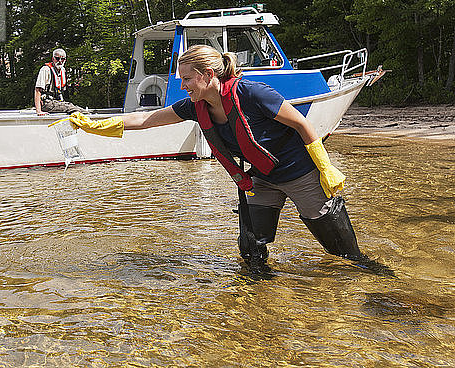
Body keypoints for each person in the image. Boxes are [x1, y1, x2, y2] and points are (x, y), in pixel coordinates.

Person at [63, 45, 384, 274]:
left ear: (206, 75)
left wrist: (325, 165)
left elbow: (302, 124)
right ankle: (260, 296)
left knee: (338, 248)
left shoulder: (254, 93)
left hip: (299, 172)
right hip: (261, 178)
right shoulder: (194, 106)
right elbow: (147, 120)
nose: (182, 85)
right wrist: (94, 124)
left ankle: (372, 273)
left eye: (186, 78)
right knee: (252, 250)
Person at [34, 48, 86, 115]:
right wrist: (39, 111)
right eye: (57, 58)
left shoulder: (62, 70)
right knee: (71, 107)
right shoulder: (45, 70)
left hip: (57, 102)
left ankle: (88, 115)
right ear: (53, 59)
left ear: (65, 60)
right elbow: (37, 90)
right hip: (47, 103)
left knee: (76, 108)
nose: (60, 61)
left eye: (62, 59)